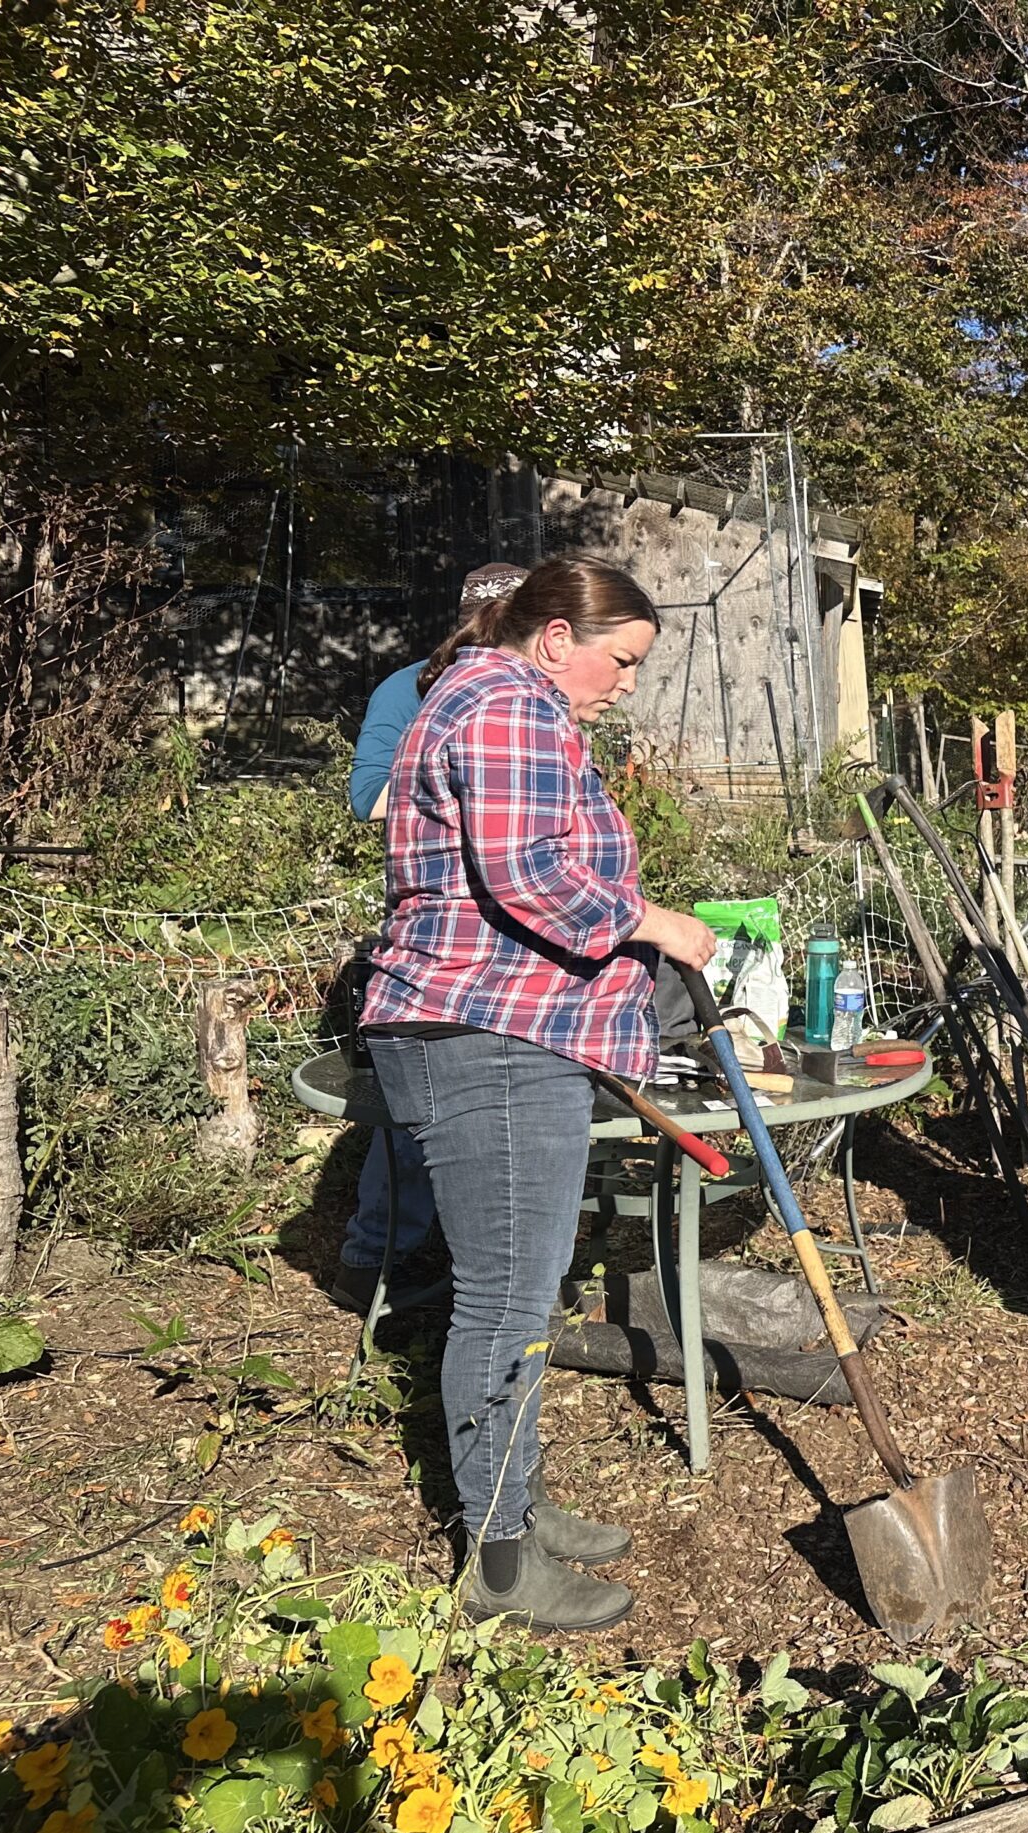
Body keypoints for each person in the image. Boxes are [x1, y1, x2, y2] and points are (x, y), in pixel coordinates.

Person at [359, 555, 718, 1630]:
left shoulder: (491, 698)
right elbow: (532, 877)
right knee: (508, 1304)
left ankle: (517, 1501)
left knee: (517, 1291)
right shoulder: (506, 704)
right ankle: (501, 1566)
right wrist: (658, 925)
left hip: (496, 1030)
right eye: (621, 661)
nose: (626, 683)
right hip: (491, 1039)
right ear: (556, 636)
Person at [334, 563, 528, 1311]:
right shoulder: (411, 687)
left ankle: (491, 1261)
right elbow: (369, 796)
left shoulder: (539, 694)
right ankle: (376, 1256)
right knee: (419, 1102)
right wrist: (465, 780)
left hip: (522, 931)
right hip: (441, 927)